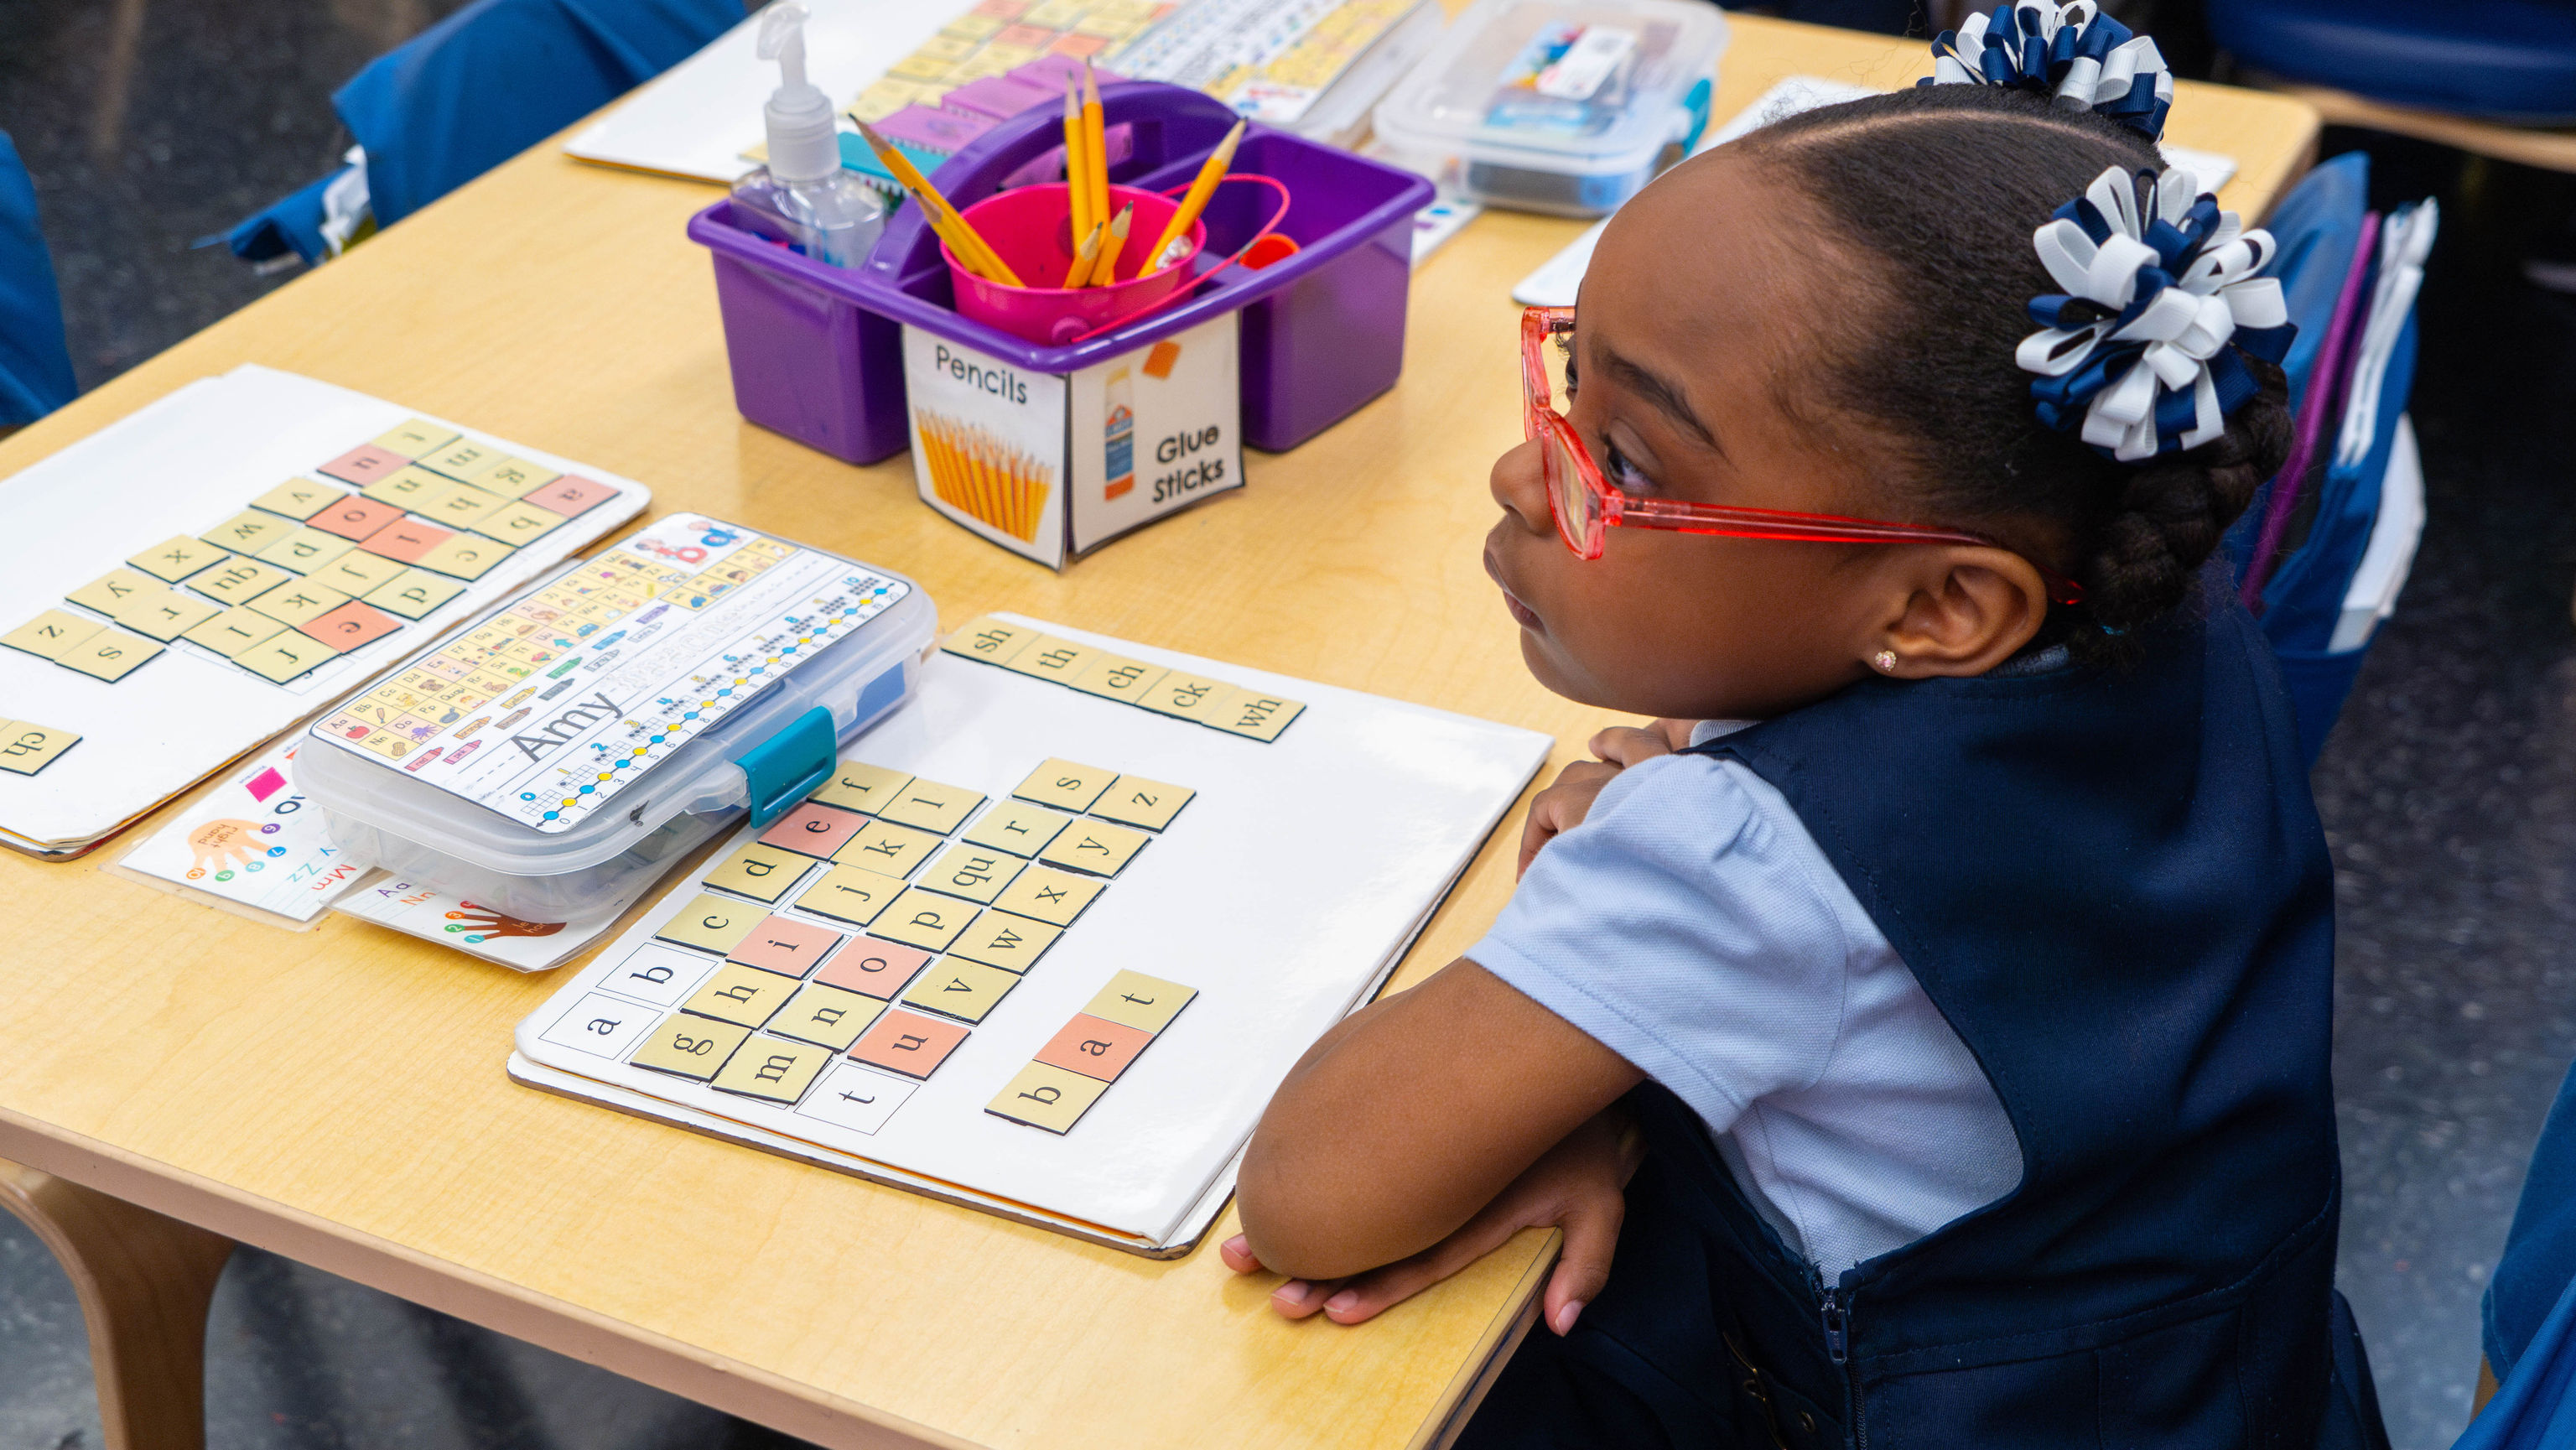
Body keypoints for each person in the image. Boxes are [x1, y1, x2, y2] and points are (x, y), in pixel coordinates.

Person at [1223, 5, 2392, 1445]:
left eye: (1626, 455)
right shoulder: (2158, 593)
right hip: (2232, 1391)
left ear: (1944, 606)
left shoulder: (1737, 863)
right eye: (1566, 376)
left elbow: (1310, 1196)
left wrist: (1594, 1065)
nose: (1528, 476)